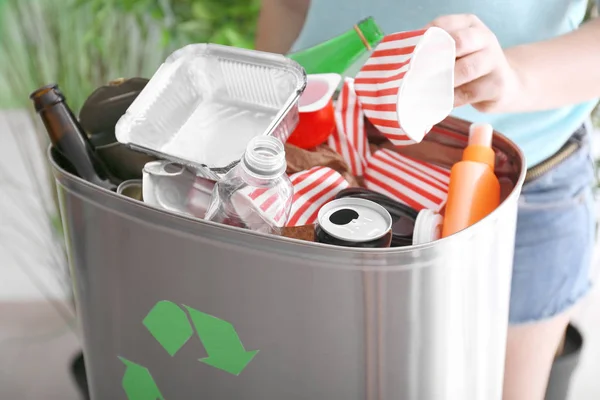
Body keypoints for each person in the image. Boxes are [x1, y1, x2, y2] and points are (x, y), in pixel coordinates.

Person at [255, 1, 600, 399]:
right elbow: (289, 6)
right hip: (314, 157)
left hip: (520, 187)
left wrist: (514, 76)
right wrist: (264, 120)